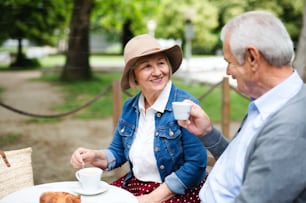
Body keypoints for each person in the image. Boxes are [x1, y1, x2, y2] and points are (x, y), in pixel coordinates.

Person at [178, 10, 306, 203]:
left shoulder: (289, 127)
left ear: (252, 58)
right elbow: (239, 168)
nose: (228, 71)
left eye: (229, 62)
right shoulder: (269, 103)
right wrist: (207, 133)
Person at [70, 34, 208, 203]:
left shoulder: (185, 105)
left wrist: (151, 198)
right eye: (147, 66)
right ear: (134, 75)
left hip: (177, 193)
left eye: (161, 63)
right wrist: (93, 156)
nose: (157, 72)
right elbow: (117, 152)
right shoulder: (130, 107)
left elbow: (196, 165)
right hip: (137, 186)